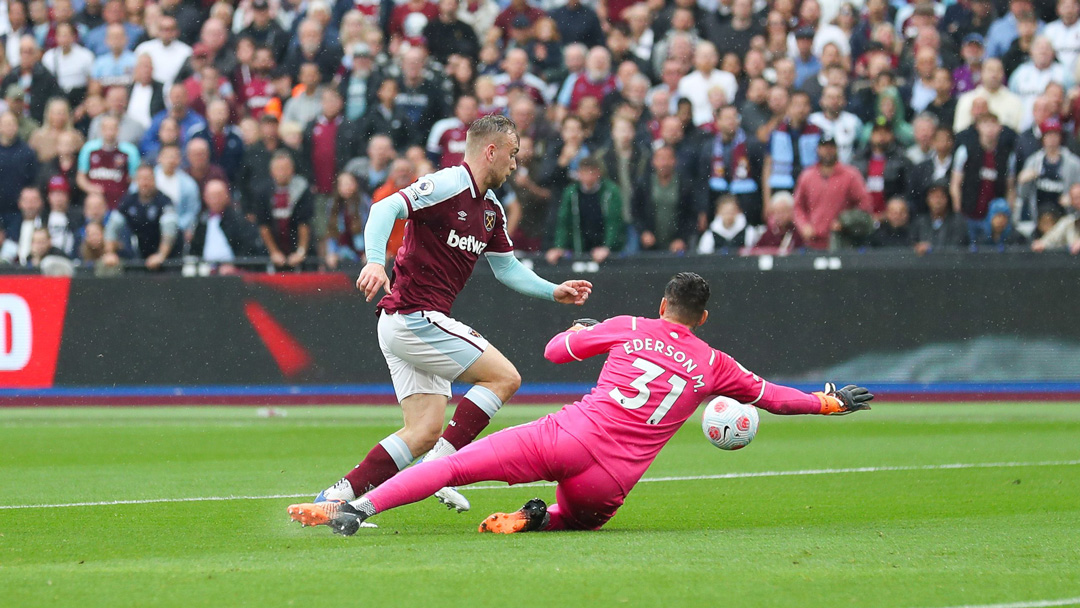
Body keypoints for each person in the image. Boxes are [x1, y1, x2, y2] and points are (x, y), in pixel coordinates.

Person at [286, 272, 873, 536]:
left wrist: (586, 329)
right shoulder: (717, 364)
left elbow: (554, 351)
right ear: (703, 319)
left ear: (663, 305)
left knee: (452, 465)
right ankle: (540, 519)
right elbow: (774, 399)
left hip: (567, 437)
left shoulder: (629, 325)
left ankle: (357, 511)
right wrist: (829, 403)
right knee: (581, 521)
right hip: (611, 483)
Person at [306, 115, 594, 514]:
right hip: (413, 315)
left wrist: (553, 291)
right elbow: (383, 209)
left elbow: (507, 268)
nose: (515, 165)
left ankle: (334, 499)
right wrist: (374, 262)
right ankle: (439, 470)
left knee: (423, 431)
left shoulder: (491, 209)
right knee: (505, 377)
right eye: (512, 155)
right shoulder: (446, 184)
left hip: (406, 323)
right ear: (490, 151)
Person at [546, 156, 626, 264]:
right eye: (584, 172)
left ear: (599, 173)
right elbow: (564, 222)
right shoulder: (571, 193)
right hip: (580, 245)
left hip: (604, 247)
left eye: (591, 172)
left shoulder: (611, 192)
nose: (588, 176)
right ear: (578, 173)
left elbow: (614, 222)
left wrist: (607, 247)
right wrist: (559, 246)